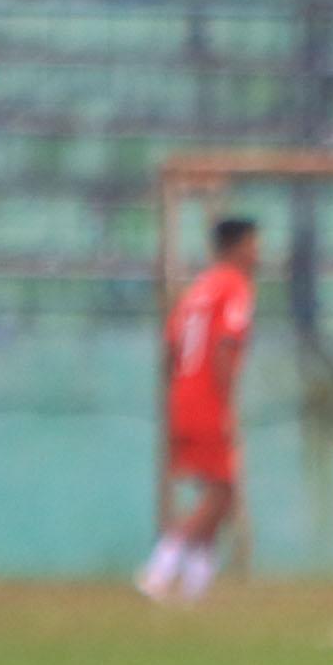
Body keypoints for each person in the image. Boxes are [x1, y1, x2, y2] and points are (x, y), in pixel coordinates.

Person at [139, 215, 260, 604]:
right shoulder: (234, 286)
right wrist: (225, 402)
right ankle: (162, 565)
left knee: (215, 489)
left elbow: (171, 346)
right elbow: (226, 344)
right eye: (254, 244)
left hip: (182, 395)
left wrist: (181, 391)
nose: (259, 253)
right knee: (223, 491)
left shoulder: (199, 288)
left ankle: (196, 584)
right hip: (209, 397)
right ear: (237, 247)